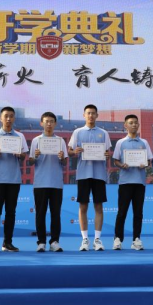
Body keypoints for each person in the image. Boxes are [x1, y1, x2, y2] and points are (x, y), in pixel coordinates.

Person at [0, 107, 28, 252]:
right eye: (6, 116)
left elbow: (24, 156)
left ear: (14, 118)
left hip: (13, 179)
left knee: (11, 212)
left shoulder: (20, 136)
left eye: (11, 116)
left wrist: (19, 154)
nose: (8, 119)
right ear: (1, 118)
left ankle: (7, 242)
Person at [68, 104, 111, 252]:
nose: (91, 115)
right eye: (88, 113)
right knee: (83, 206)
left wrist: (106, 155)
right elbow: (70, 151)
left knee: (98, 206)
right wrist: (75, 151)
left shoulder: (104, 133)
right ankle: (85, 239)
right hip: (83, 174)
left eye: (93, 113)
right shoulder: (77, 132)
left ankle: (97, 240)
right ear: (84, 115)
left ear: (97, 115)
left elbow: (107, 152)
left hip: (99, 174)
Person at [112, 114, 153, 251]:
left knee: (138, 213)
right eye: (131, 123)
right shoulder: (120, 142)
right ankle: (118, 239)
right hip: (125, 182)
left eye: (136, 122)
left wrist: (145, 164)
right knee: (122, 212)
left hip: (139, 182)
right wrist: (122, 165)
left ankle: (136, 239)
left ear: (138, 125)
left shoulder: (144, 142)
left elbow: (149, 161)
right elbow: (116, 160)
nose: (134, 125)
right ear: (125, 125)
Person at [28, 112, 68, 252]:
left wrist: (62, 157)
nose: (49, 124)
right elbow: (31, 161)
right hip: (40, 183)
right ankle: (41, 242)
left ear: (55, 123)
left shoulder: (60, 141)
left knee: (55, 214)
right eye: (46, 121)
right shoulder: (36, 140)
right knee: (40, 214)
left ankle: (54, 241)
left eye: (51, 121)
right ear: (41, 123)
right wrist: (35, 156)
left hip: (56, 183)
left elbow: (65, 162)